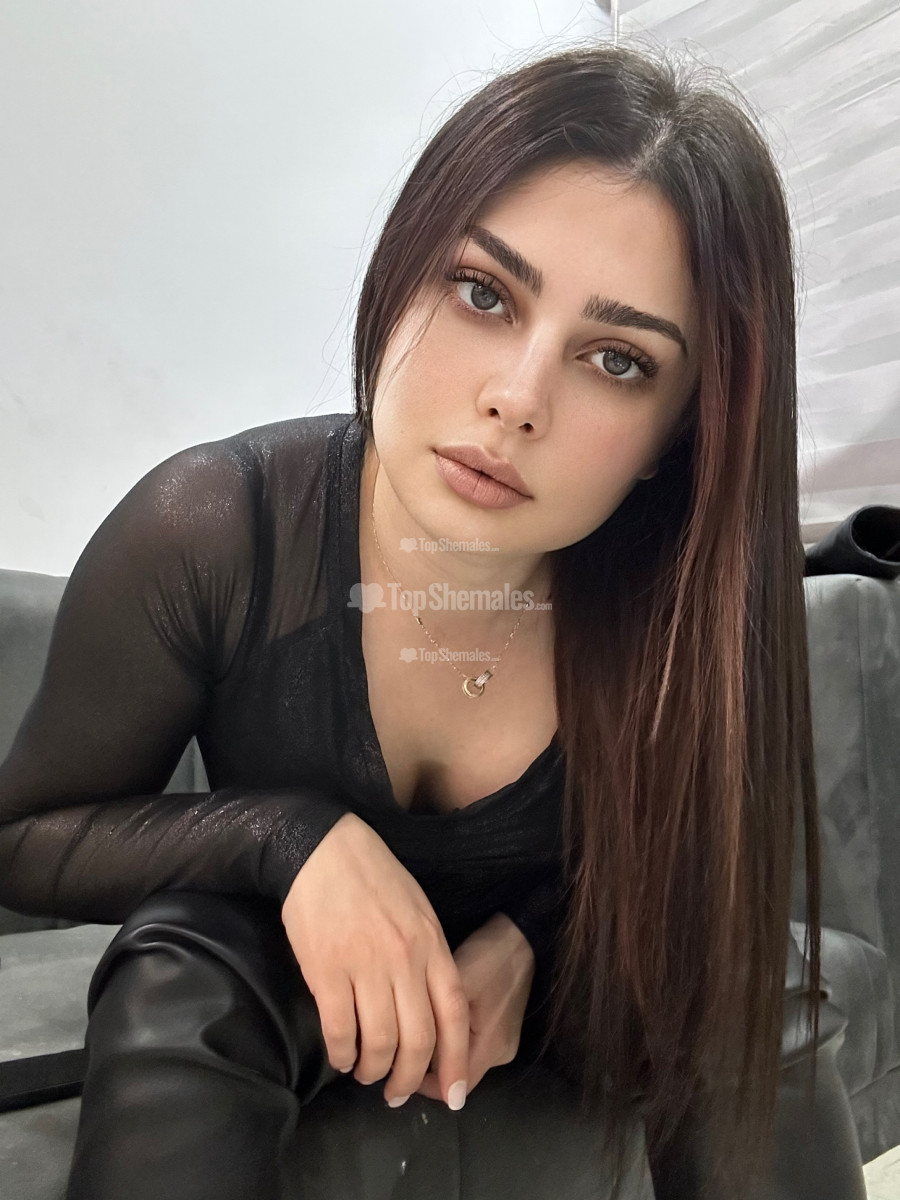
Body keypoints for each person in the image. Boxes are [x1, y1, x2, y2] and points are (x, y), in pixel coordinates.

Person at [0, 37, 870, 1200]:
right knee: (184, 960)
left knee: (742, 968)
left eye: (617, 360)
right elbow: (25, 835)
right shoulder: (211, 530)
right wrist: (287, 840)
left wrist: (542, 946)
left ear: (681, 431)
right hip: (281, 976)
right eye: (482, 292)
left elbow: (690, 874)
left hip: (572, 968)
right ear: (404, 269)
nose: (516, 397)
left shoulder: (687, 608)